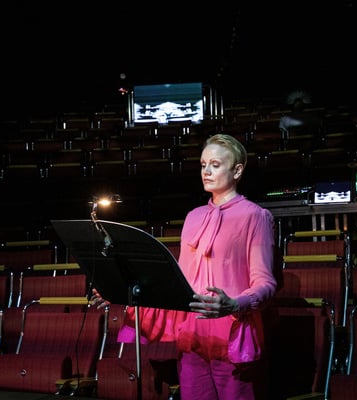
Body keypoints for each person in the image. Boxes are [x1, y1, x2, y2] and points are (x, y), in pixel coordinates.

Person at [92, 133, 278, 400]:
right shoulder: (193, 217)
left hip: (231, 334)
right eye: (203, 165)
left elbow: (266, 283)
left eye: (215, 165)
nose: (206, 171)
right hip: (191, 335)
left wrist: (235, 304)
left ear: (237, 171)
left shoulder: (255, 216)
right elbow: (176, 283)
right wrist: (119, 292)